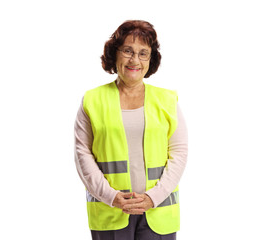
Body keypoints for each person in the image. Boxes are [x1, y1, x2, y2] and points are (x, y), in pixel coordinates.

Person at [74, 20, 188, 240]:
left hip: (158, 210)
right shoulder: (92, 100)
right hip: (110, 211)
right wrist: (111, 196)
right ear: (114, 53)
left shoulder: (167, 100)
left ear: (150, 59)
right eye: (128, 50)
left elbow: (179, 153)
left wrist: (154, 197)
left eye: (143, 53)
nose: (135, 59)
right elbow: (82, 155)